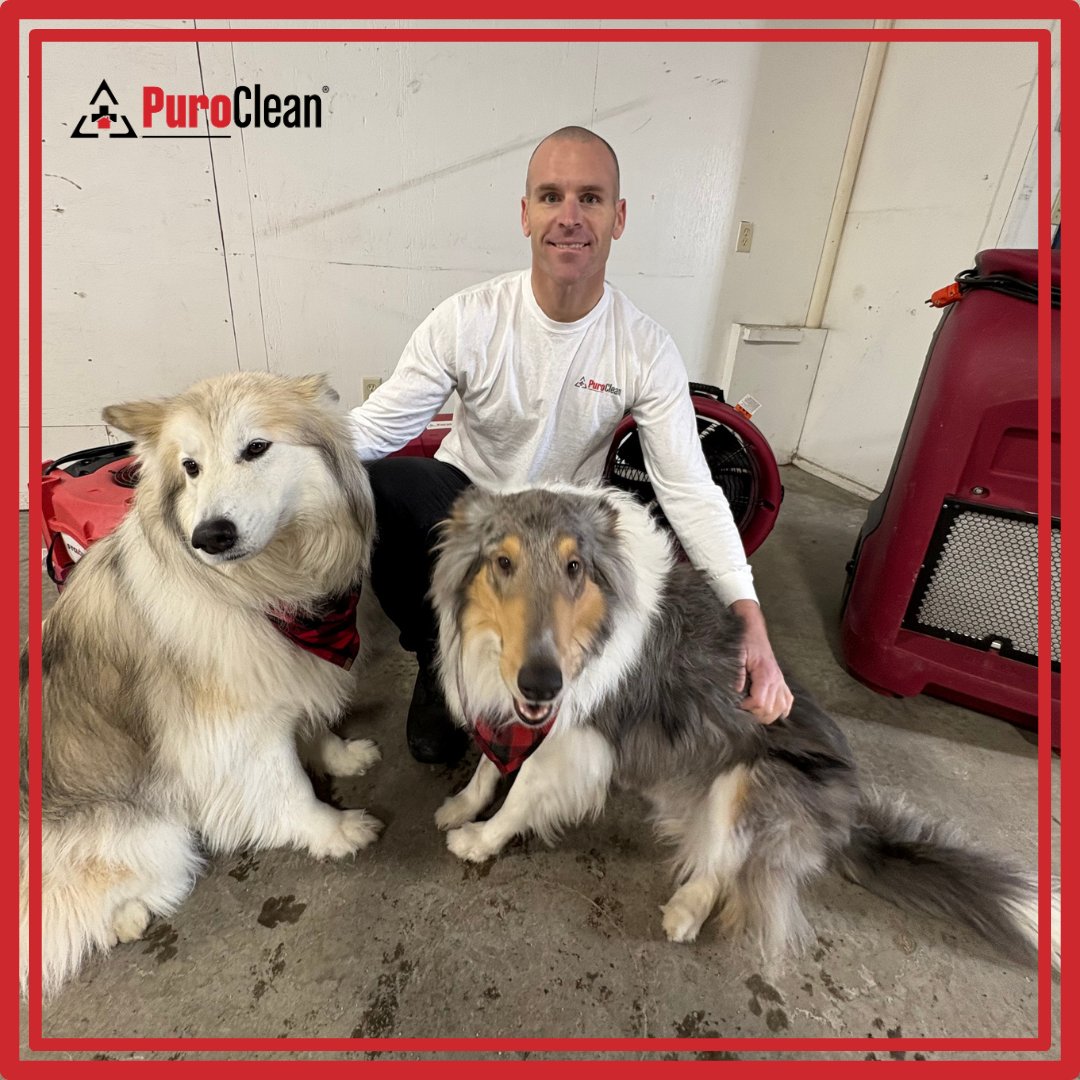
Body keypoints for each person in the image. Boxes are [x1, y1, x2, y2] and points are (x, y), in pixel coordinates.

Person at [350, 125, 794, 763]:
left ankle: (552, 658)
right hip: (473, 502)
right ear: (525, 213)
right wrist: (271, 458)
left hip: (566, 520)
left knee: (623, 560)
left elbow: (689, 488)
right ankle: (435, 654)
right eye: (551, 196)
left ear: (618, 218)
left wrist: (749, 617)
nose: (569, 217)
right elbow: (377, 427)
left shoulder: (643, 346)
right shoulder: (466, 319)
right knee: (384, 487)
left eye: (590, 198)